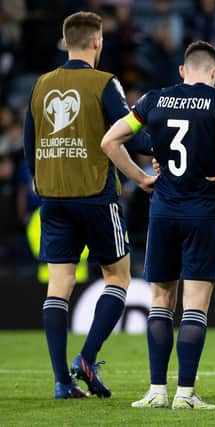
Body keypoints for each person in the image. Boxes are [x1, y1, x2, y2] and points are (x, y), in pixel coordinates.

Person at [101, 41, 215, 410]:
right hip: (203, 211)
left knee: (160, 302)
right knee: (195, 306)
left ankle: (156, 391)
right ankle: (185, 394)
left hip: (163, 211)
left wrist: (139, 177)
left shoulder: (154, 99)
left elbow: (110, 141)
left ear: (183, 70)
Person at [22, 11, 152, 400]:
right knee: (118, 277)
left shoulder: (41, 85)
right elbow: (127, 133)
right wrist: (155, 151)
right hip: (95, 195)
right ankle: (87, 357)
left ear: (65, 41)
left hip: (53, 198)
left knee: (58, 287)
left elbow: (30, 144)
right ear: (97, 41)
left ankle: (62, 381)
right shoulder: (103, 83)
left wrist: (44, 180)